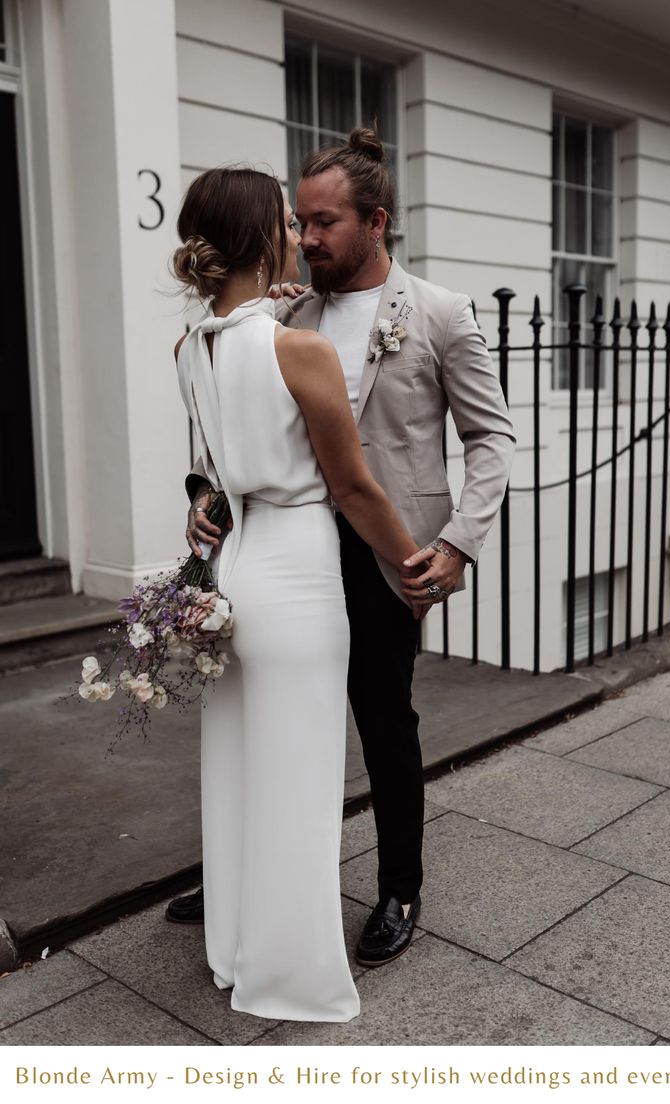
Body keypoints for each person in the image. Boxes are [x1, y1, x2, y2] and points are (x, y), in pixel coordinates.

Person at [170, 127, 516, 968]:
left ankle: (399, 885)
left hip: (389, 553)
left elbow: (493, 441)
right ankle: (249, 874)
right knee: (266, 716)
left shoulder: (439, 314)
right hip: (290, 549)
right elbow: (236, 429)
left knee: (382, 717)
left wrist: (459, 546)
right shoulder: (287, 309)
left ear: (377, 221)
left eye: (325, 222)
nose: (310, 236)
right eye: (303, 221)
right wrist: (206, 499)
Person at [171, 165, 421, 1020]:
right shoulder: (298, 348)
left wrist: (205, 507)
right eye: (285, 219)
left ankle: (237, 948)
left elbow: (208, 472)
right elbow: (352, 488)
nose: (296, 232)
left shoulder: (191, 348)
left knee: (241, 772)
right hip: (302, 578)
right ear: (259, 238)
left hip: (236, 575)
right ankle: (290, 971)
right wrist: (411, 564)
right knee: (302, 783)